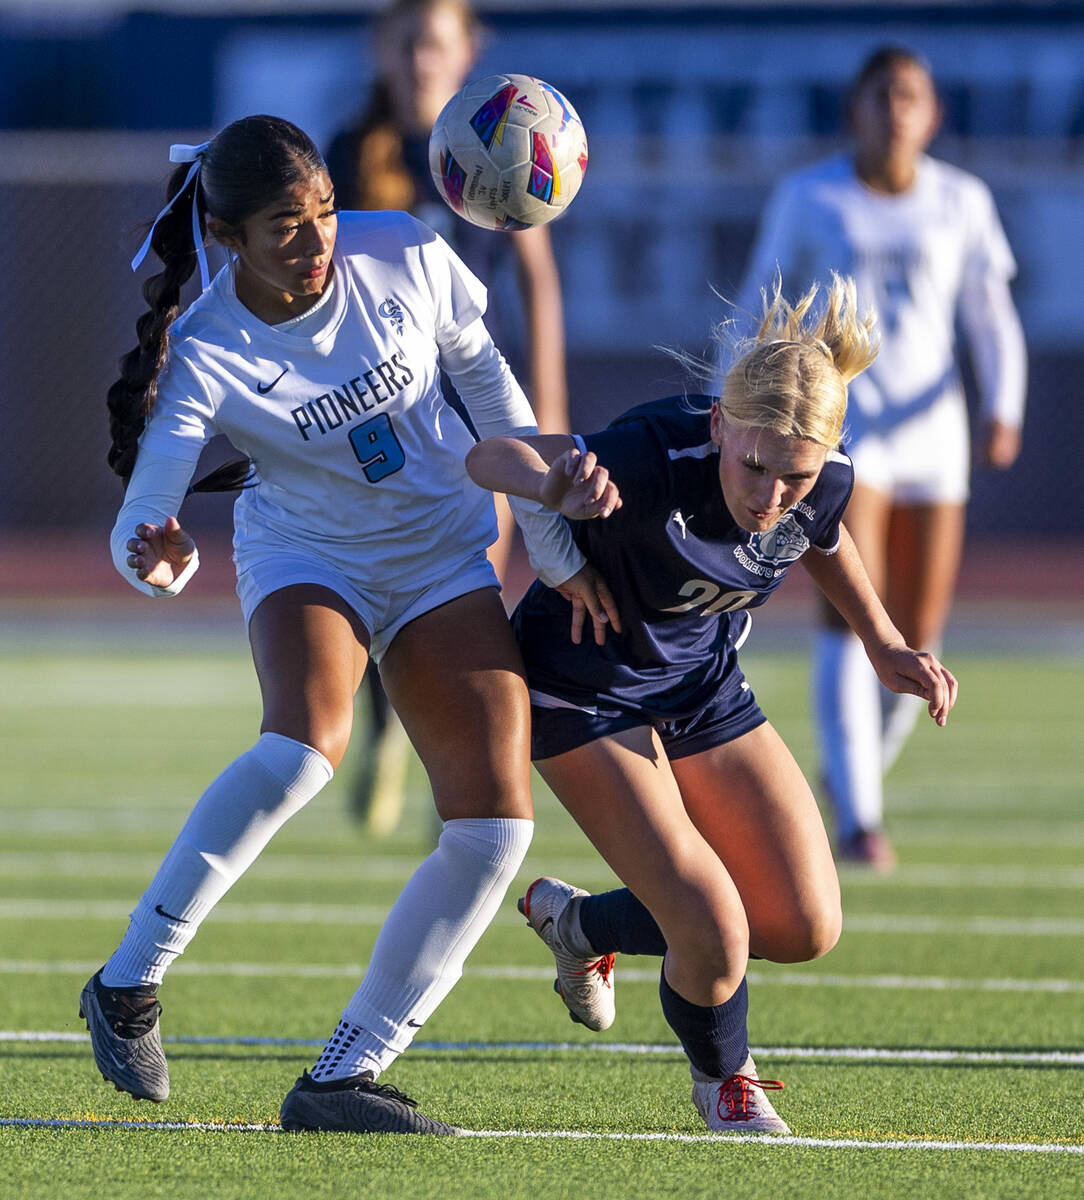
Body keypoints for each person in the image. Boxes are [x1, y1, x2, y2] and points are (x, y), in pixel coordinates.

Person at [80, 114, 611, 1135]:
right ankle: (126, 985)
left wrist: (552, 548)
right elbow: (144, 509)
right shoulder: (206, 350)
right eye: (284, 224)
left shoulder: (407, 250)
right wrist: (153, 557)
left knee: (495, 828)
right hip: (307, 556)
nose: (315, 240)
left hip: (441, 557)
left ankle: (343, 1077)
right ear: (228, 236)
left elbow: (492, 396)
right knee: (302, 751)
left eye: (323, 212)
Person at [465, 274, 958, 1133]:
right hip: (585, 690)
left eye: (795, 477)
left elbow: (825, 538)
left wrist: (883, 642)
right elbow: (488, 455)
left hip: (700, 689)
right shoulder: (654, 453)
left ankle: (579, 925)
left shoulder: (823, 481)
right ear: (721, 425)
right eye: (754, 466)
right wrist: (554, 488)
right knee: (715, 931)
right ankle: (724, 1082)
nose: (770, 497)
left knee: (803, 924)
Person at [731, 46, 1025, 868]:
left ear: (933, 115)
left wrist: (1005, 406)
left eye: (912, 96)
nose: (896, 109)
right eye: (881, 94)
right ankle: (860, 820)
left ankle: (851, 773)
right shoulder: (810, 194)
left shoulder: (961, 201)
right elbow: (763, 293)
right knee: (852, 618)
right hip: (845, 432)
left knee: (917, 633)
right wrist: (739, 401)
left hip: (936, 435)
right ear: (854, 110)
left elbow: (991, 316)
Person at [326, 0, 571, 833]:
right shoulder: (351, 153)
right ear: (382, 50)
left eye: (436, 42)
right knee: (380, 581)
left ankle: (459, 773)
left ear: (468, 50)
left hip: (472, 405)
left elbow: (535, 276)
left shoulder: (498, 138)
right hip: (377, 411)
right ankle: (387, 728)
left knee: (473, 581)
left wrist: (545, 407)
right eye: (407, 42)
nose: (421, 58)